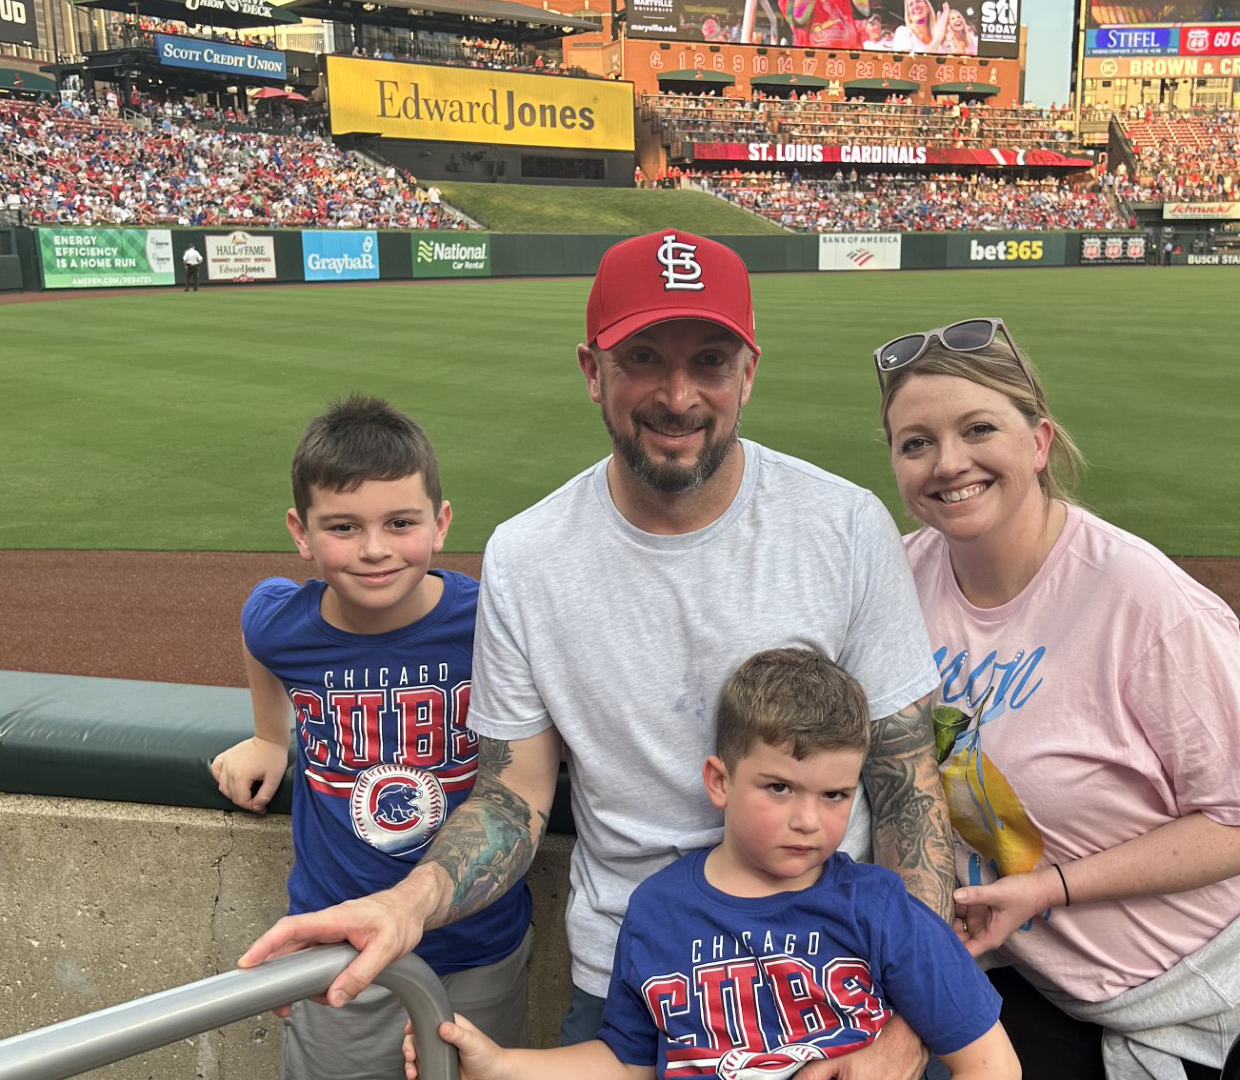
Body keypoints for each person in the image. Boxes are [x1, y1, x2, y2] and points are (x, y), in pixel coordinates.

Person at [241, 230, 953, 1080]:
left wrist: (915, 1018)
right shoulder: (528, 553)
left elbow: (907, 786)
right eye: (643, 357)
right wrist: (408, 902)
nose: (679, 395)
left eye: (711, 361)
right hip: (631, 991)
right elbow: (512, 795)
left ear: (749, 372)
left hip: (838, 987)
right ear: (592, 371)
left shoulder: (842, 525)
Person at [872, 320, 1240, 1080]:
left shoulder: (1146, 603)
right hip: (1043, 981)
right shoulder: (896, 580)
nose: (948, 463)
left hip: (1209, 998)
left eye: (978, 428)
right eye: (915, 442)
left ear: (1040, 441)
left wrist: (1052, 887)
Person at [417, 649, 1015, 1080]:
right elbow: (626, 1065)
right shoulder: (658, 910)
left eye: (834, 795)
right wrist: (502, 1065)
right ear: (719, 781)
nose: (809, 819)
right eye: (779, 788)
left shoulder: (882, 907)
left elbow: (991, 1063)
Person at [211, 395, 534, 1079]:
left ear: (441, 523)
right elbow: (256, 629)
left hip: (476, 943)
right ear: (301, 532)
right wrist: (270, 736)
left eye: (401, 522)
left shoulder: (489, 620)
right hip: (335, 945)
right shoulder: (285, 621)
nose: (376, 548)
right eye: (343, 527)